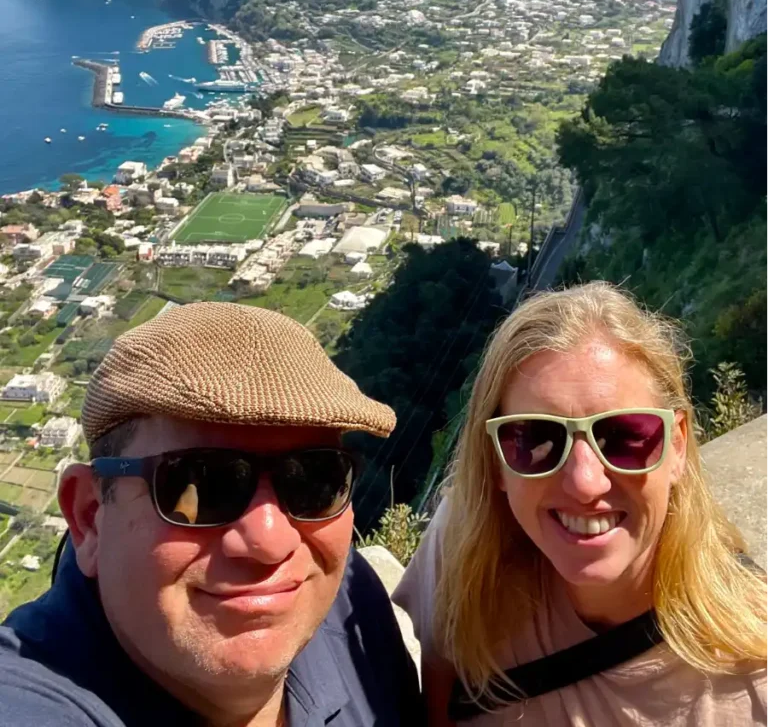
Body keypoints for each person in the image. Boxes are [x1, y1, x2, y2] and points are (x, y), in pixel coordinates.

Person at [0, 302, 423, 726]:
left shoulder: (347, 597)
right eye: (204, 486)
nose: (270, 541)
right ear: (90, 517)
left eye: (315, 481)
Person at [394, 282, 768, 725]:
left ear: (678, 446)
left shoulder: (752, 682)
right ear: (495, 462)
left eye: (625, 437)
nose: (585, 482)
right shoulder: (463, 549)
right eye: (535, 439)